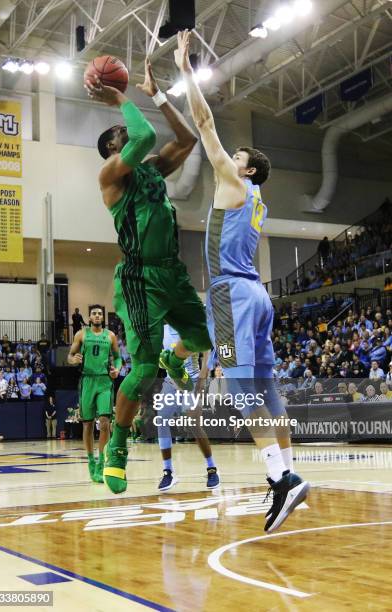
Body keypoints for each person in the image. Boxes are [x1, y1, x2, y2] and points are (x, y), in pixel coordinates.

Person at [175, 30, 309, 533]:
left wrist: (186, 69)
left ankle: (280, 479)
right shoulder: (258, 201)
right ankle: (291, 474)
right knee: (267, 387)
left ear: (247, 169)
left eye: (237, 155)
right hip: (258, 295)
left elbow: (204, 121)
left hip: (232, 293)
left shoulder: (234, 184)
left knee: (238, 388)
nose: (227, 156)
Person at [85, 57, 212, 495]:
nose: (127, 130)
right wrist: (121, 96)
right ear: (112, 149)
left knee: (203, 340)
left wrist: (157, 93)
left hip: (173, 273)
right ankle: (117, 447)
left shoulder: (153, 171)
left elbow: (187, 138)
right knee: (140, 372)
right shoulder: (111, 176)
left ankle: (174, 357)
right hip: (139, 279)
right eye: (120, 132)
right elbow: (145, 134)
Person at [156, 325, 219, 491]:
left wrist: (203, 376)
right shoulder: (162, 329)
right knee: (161, 420)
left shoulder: (190, 323)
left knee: (194, 425)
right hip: (171, 381)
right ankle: (168, 471)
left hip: (192, 380)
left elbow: (206, 349)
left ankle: (212, 468)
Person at [68, 305, 120, 483]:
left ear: (102, 318)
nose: (97, 316)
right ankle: (91, 462)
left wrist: (117, 369)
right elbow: (70, 355)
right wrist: (73, 360)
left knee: (105, 422)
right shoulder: (81, 334)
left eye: (100, 314)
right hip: (87, 381)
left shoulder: (110, 335)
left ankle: (101, 464)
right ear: (89, 318)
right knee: (87, 425)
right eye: (94, 314)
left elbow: (118, 357)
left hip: (105, 382)